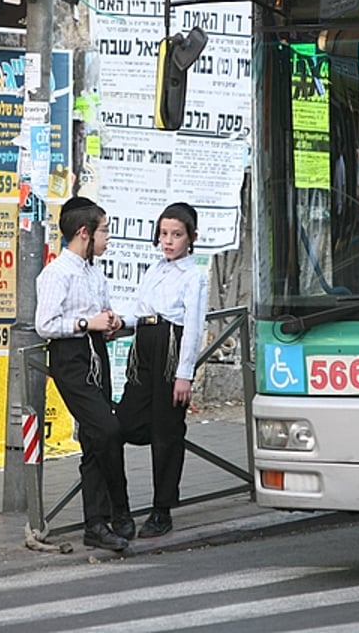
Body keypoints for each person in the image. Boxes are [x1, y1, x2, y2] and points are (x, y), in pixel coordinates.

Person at [34, 197, 134, 550]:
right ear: (84, 233)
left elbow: (102, 309)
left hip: (97, 352)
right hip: (71, 358)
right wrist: (84, 323)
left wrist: (111, 321)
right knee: (108, 429)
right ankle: (119, 509)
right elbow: (45, 324)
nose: (108, 238)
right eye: (104, 230)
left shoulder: (93, 271)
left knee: (96, 439)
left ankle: (97, 523)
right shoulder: (56, 273)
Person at [117, 202, 209, 538]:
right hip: (144, 345)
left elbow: (194, 327)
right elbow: (140, 310)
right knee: (125, 421)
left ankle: (161, 509)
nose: (168, 241)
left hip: (171, 347)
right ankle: (117, 506)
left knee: (167, 432)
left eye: (176, 235)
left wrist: (184, 374)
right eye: (164, 234)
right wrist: (118, 322)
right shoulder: (154, 269)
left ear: (191, 238)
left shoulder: (193, 276)